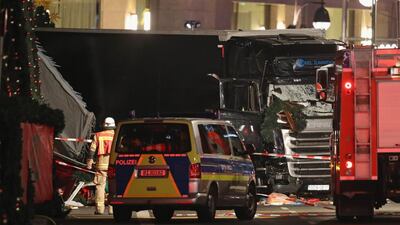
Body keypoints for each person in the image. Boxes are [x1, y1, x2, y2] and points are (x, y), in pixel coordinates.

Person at [86, 117, 116, 215]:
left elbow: (92, 150)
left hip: (101, 165)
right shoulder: (117, 135)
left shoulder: (98, 135)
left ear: (104, 125)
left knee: (100, 186)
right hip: (114, 165)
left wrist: (89, 162)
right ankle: (112, 209)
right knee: (113, 187)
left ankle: (99, 209)